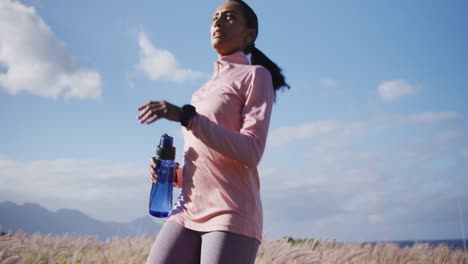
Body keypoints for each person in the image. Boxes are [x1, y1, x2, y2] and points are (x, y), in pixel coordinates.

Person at [137, 0, 289, 263]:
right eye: (215, 17)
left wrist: (187, 117)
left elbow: (251, 151)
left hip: (231, 211)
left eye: (229, 17)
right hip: (187, 208)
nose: (218, 22)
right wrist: (173, 175)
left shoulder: (256, 76)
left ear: (249, 34)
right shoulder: (200, 92)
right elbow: (209, 160)